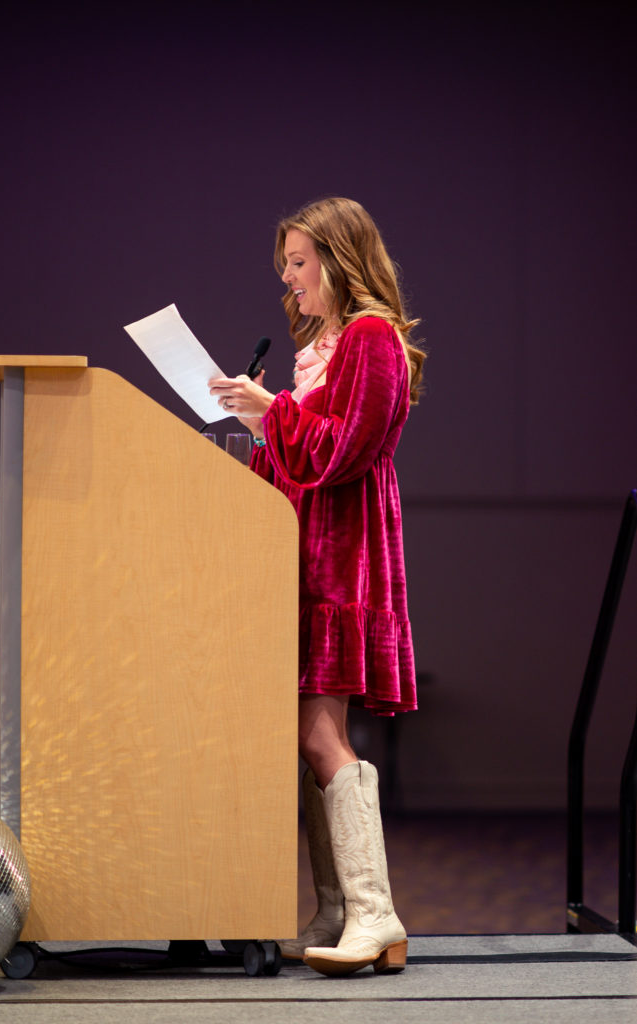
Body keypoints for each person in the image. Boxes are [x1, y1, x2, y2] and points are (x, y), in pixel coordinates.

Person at [209, 196, 425, 977]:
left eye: (299, 263)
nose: (290, 282)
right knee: (304, 742)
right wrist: (257, 426)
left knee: (318, 736)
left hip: (339, 560)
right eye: (285, 268)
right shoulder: (324, 348)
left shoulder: (370, 340)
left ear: (339, 260)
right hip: (302, 556)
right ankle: (339, 909)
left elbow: (343, 452)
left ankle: (375, 912)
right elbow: (298, 460)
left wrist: (273, 413)